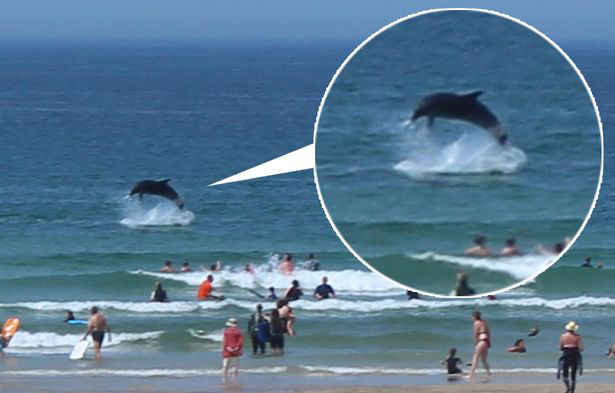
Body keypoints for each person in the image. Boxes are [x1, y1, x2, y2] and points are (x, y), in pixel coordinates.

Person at [558, 321, 583, 393]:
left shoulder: (563, 336)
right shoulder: (578, 336)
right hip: (575, 354)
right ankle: (572, 390)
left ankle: (568, 387)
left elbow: (560, 348)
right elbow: (581, 349)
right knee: (573, 373)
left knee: (565, 372)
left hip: (566, 353)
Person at [467, 311, 491, 379]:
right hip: (486, 340)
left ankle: (470, 375)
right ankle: (488, 373)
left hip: (481, 340)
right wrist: (489, 343)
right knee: (483, 359)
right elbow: (488, 333)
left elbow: (476, 334)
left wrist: (476, 343)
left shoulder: (476, 323)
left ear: (474, 317)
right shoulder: (484, 322)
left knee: (475, 357)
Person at [222, 318, 243, 382]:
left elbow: (225, 341)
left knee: (225, 366)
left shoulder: (226, 331)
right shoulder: (239, 331)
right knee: (235, 366)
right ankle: (234, 379)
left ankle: (224, 378)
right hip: (236, 350)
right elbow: (240, 341)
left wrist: (227, 347)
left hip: (227, 350)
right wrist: (237, 347)